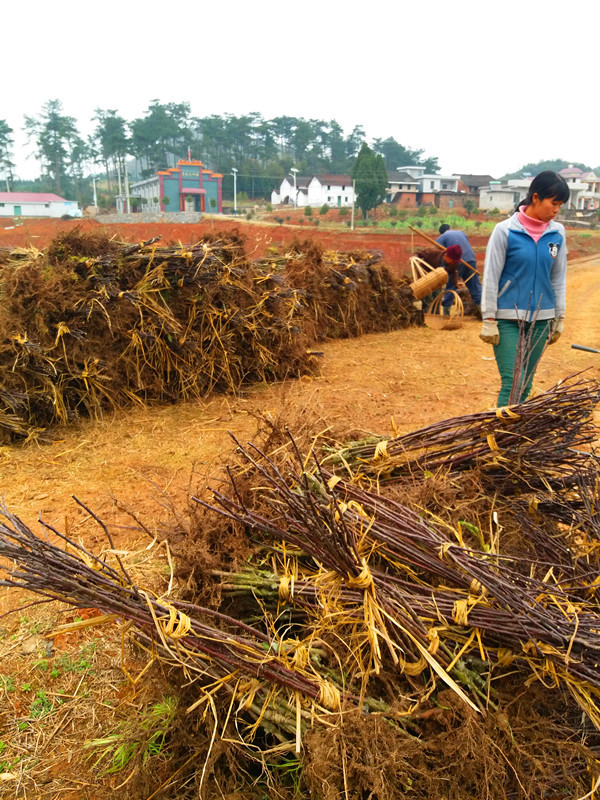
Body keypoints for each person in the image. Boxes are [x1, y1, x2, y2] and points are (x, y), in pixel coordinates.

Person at [479, 170, 569, 407]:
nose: (557, 209)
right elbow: (491, 275)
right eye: (554, 203)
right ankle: (502, 428)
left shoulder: (557, 233)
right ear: (536, 197)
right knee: (512, 382)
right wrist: (489, 318)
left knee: (526, 383)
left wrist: (559, 317)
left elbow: (558, 277)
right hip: (507, 318)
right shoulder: (505, 231)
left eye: (560, 205)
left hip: (542, 318)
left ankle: (518, 430)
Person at [437, 223, 482, 314]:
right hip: (471, 260)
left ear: (441, 233)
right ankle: (482, 310)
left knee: (451, 284)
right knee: (474, 285)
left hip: (458, 261)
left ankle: (446, 310)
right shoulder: (461, 233)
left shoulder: (442, 237)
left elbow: (437, 251)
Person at [415, 244, 465, 312]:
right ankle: (425, 314)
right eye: (453, 260)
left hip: (437, 279)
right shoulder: (432, 252)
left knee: (437, 297)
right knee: (427, 298)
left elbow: (453, 273)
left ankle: (435, 315)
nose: (454, 262)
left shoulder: (454, 262)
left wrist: (457, 282)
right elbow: (418, 252)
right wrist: (414, 257)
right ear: (447, 256)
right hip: (424, 276)